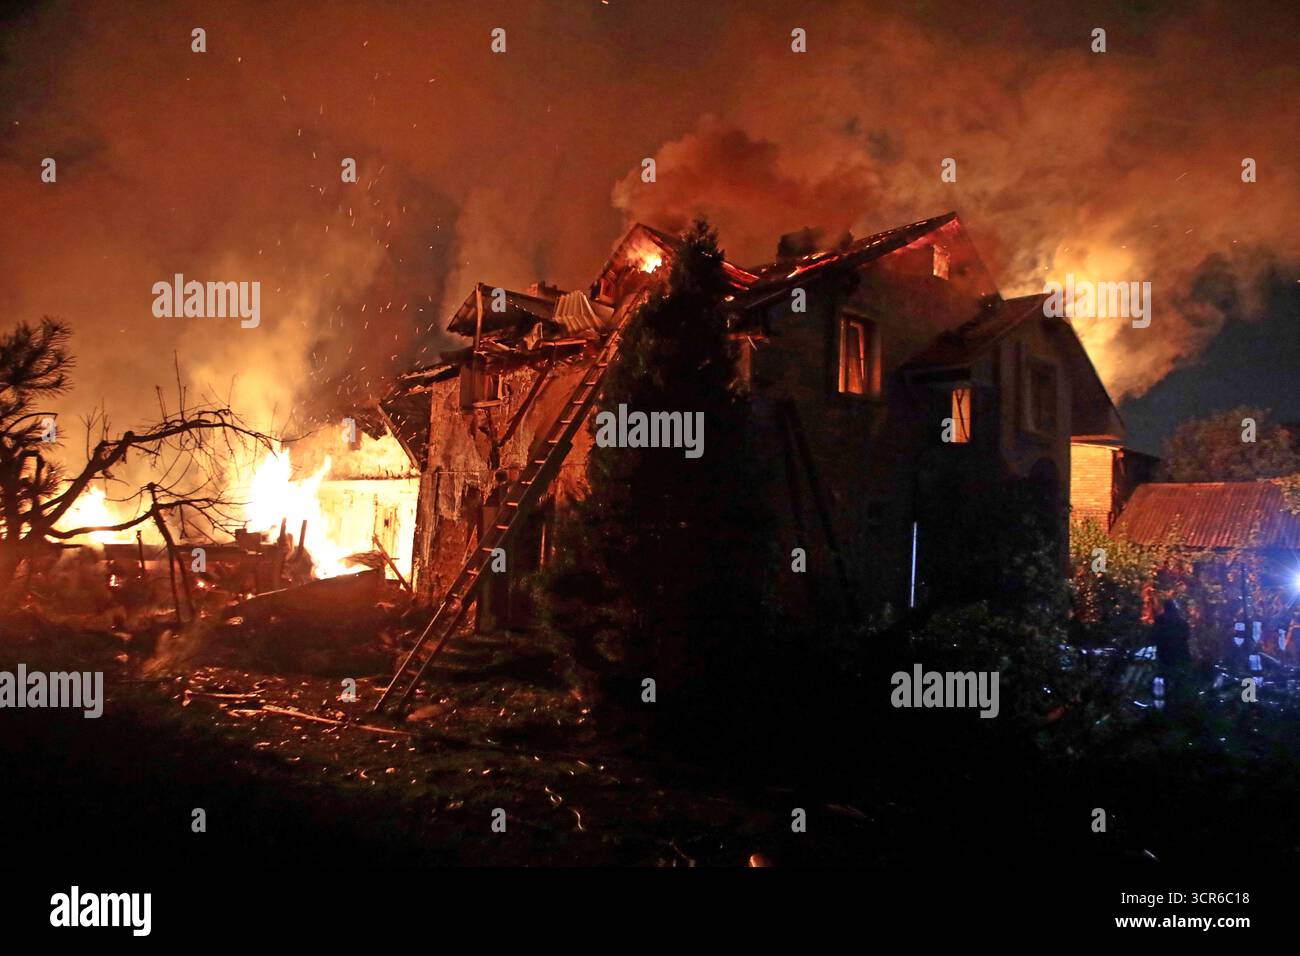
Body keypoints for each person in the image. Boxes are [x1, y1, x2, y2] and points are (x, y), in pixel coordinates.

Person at [1151, 599, 1192, 707]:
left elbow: (1154, 636)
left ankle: (1172, 700)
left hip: (1167, 655)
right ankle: (1176, 700)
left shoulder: (1161, 620)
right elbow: (1186, 636)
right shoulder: (1179, 622)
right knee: (1174, 678)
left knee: (1168, 677)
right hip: (1174, 655)